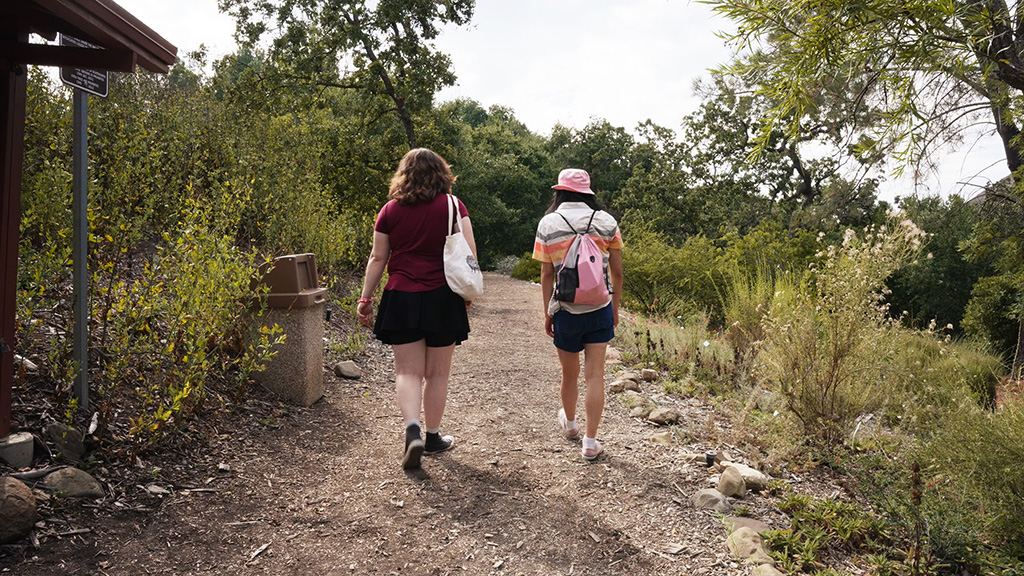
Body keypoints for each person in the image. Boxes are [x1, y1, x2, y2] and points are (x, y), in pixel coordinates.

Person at [356, 148, 477, 470]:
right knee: (437, 373)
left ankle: (412, 430)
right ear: (442, 173)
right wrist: (468, 292)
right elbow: (468, 252)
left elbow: (378, 258)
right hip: (443, 296)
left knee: (407, 371)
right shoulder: (454, 206)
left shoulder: (390, 210)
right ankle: (433, 435)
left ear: (404, 174)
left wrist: (365, 299)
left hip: (402, 296)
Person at [533, 168, 623, 461]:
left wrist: (549, 311)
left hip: (566, 311)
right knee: (595, 376)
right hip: (599, 309)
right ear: (587, 193)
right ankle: (590, 442)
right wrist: (615, 307)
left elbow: (547, 274)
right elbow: (617, 272)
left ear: (559, 191)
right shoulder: (607, 222)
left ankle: (570, 425)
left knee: (569, 375)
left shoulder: (548, 224)